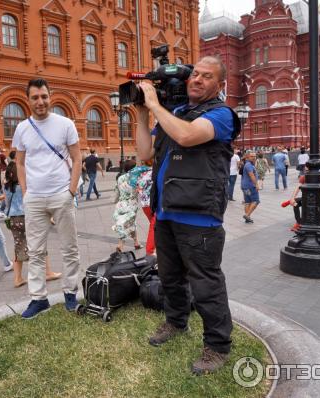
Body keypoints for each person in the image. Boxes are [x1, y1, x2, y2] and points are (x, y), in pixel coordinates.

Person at [136, 56, 239, 375]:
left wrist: (154, 104)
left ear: (219, 86)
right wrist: (141, 114)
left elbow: (188, 136)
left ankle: (217, 346)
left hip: (199, 216)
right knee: (169, 277)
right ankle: (176, 322)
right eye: (194, 74)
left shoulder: (222, 115)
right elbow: (144, 154)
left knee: (206, 283)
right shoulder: (176, 113)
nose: (196, 79)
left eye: (206, 76)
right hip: (165, 212)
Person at [14, 78, 82, 319]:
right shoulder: (22, 128)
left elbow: (77, 158)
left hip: (61, 194)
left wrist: (71, 191)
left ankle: (71, 293)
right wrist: (25, 192)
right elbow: (19, 162)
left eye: (44, 96)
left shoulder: (65, 124)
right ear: (29, 100)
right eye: (35, 97)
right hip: (34, 198)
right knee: (35, 251)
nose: (40, 101)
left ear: (49, 97)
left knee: (69, 248)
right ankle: (38, 299)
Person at [4, 162, 62, 287]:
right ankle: (48, 272)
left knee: (18, 247)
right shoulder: (26, 186)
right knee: (40, 243)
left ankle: (18, 278)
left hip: (14, 219)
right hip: (28, 217)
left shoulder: (8, 187)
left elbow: (7, 204)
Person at [112, 159, 144, 251]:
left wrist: (115, 201)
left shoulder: (120, 178)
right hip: (131, 204)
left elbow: (117, 191)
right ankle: (120, 245)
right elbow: (141, 191)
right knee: (127, 223)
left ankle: (136, 243)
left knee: (130, 222)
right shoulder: (137, 178)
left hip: (121, 204)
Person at [136, 160, 156, 256]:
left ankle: (157, 248)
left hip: (145, 205)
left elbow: (137, 187)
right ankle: (150, 251)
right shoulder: (156, 171)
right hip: (153, 203)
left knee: (156, 226)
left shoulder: (141, 173)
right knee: (154, 226)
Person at [284, 165, 309, 232]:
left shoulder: (317, 176)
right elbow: (297, 187)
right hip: (305, 198)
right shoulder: (303, 177)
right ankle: (299, 222)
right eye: (305, 171)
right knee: (295, 204)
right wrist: (292, 198)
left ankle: (289, 201)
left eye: (308, 170)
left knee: (296, 201)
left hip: (314, 198)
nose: (307, 172)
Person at [241, 152, 259, 223]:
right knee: (256, 201)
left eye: (255, 156)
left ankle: (247, 218)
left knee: (248, 202)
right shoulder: (249, 165)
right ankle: (247, 215)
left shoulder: (247, 164)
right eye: (252, 156)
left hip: (245, 186)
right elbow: (251, 175)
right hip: (250, 186)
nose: (254, 157)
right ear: (247, 157)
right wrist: (256, 184)